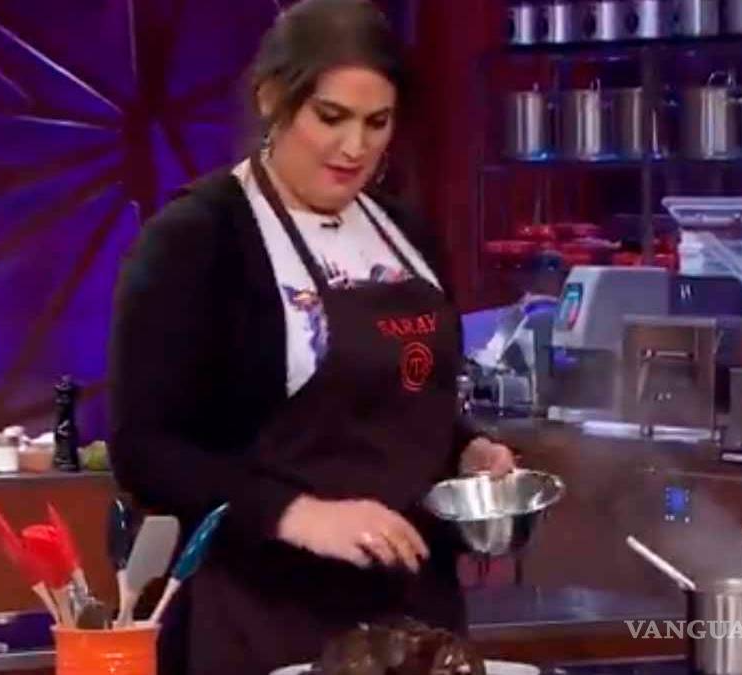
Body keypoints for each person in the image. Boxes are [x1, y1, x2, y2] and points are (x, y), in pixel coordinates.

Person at [108, 0, 516, 672]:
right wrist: (297, 514)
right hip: (261, 615)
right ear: (273, 98)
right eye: (331, 117)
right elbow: (146, 450)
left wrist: (465, 447)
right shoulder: (196, 239)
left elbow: (404, 398)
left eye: (377, 122)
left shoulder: (405, 234)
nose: (355, 147)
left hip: (415, 617)